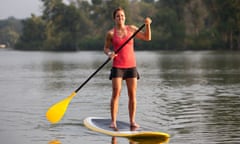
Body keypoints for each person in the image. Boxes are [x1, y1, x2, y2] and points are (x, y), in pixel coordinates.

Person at [103, 7, 152, 129]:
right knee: (116, 93)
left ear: (125, 17)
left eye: (122, 16)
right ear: (114, 18)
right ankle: (113, 122)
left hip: (131, 66)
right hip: (118, 66)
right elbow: (106, 48)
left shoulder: (132, 29)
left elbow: (147, 38)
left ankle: (132, 121)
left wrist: (147, 25)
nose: (120, 18)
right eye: (118, 16)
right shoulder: (110, 33)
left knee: (132, 95)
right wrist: (110, 54)